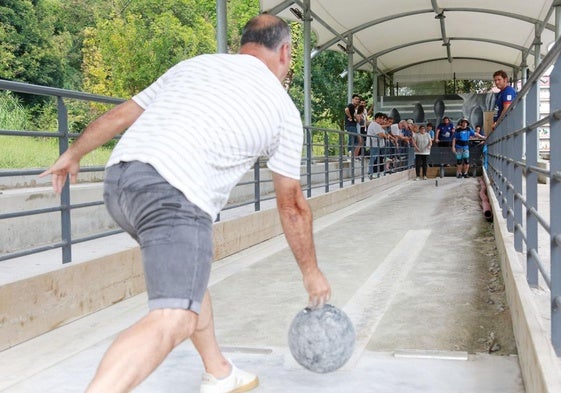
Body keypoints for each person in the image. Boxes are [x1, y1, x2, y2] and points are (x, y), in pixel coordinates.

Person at [39, 14, 331, 393]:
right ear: (285, 52)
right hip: (174, 192)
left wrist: (73, 153)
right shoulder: (283, 110)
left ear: (244, 44)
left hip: (121, 181)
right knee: (173, 317)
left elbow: (121, 115)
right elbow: (291, 204)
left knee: (190, 277)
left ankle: (219, 371)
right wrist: (312, 274)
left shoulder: (195, 66)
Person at [366, 112, 390, 178]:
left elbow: (384, 134)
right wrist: (385, 136)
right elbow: (381, 134)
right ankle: (370, 173)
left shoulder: (378, 125)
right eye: (382, 119)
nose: (382, 120)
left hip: (378, 145)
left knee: (377, 158)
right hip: (374, 145)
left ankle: (376, 172)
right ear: (378, 118)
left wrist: (385, 135)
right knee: (373, 158)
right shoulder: (374, 124)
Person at [344, 94, 360, 159]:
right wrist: (350, 117)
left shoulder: (354, 108)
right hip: (350, 125)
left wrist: (355, 118)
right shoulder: (351, 105)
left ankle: (353, 155)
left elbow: (358, 119)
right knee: (352, 139)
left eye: (358, 99)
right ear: (352, 99)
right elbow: (346, 110)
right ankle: (350, 154)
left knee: (355, 140)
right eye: (356, 99)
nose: (357, 100)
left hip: (353, 125)